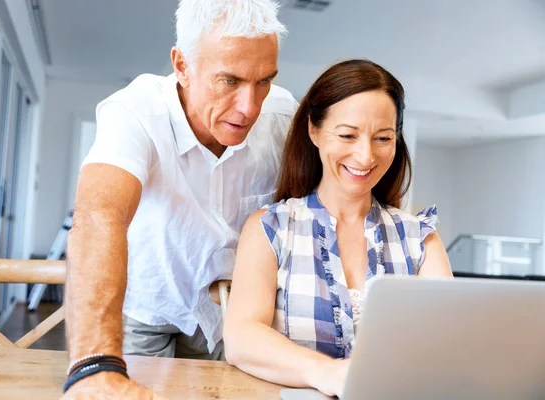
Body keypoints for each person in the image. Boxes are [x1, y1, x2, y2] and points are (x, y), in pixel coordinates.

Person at [61, 0, 297, 398]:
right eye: (230, 81)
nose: (250, 107)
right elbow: (99, 216)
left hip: (231, 311)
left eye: (263, 81)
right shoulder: (135, 112)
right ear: (182, 65)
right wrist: (92, 365)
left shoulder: (282, 116)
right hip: (146, 304)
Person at [223, 59, 453, 397]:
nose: (365, 156)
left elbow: (452, 337)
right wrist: (326, 373)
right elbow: (242, 337)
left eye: (383, 138)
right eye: (347, 135)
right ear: (314, 131)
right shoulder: (271, 228)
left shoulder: (419, 238)